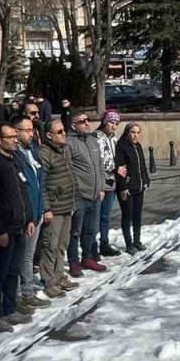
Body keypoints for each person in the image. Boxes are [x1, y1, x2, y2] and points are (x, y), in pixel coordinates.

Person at [0, 123, 34, 333]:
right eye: (9, 136)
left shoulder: (15, 160)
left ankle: (10, 308)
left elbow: (23, 191)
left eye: (15, 136)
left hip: (20, 224)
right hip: (4, 228)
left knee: (13, 271)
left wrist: (29, 217)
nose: (14, 139)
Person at [12, 113, 52, 312]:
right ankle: (24, 294)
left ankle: (27, 291)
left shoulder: (32, 150)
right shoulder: (14, 154)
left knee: (28, 257)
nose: (31, 133)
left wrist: (43, 208)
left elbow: (40, 181)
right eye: (27, 130)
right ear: (16, 132)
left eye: (32, 130)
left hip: (36, 212)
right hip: (24, 216)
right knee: (23, 257)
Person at [38, 117, 80, 298]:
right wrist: (46, 208)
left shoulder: (64, 150)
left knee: (62, 244)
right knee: (50, 246)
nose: (64, 134)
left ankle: (59, 276)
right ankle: (48, 281)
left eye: (64, 131)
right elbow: (42, 184)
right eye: (60, 132)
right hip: (53, 208)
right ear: (48, 135)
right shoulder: (44, 152)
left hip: (66, 205)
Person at [67, 111, 108, 275]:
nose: (86, 123)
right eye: (81, 121)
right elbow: (68, 170)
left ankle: (87, 256)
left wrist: (102, 186)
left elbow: (100, 165)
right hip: (79, 195)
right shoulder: (69, 143)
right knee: (75, 231)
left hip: (95, 194)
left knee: (90, 229)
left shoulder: (93, 140)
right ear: (73, 125)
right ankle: (73, 261)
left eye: (87, 120)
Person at [115, 122, 151, 253]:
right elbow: (119, 169)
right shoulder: (122, 147)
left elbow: (142, 165)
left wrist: (146, 180)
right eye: (132, 132)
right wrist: (123, 187)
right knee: (127, 216)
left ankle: (137, 241)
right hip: (127, 189)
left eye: (137, 133)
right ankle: (129, 244)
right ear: (127, 132)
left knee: (137, 215)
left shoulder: (138, 146)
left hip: (139, 187)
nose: (135, 135)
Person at [96, 110, 122, 257]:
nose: (114, 126)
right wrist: (117, 167)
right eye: (112, 122)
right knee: (97, 215)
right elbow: (102, 161)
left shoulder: (113, 138)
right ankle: (92, 245)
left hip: (111, 180)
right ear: (105, 122)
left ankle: (104, 242)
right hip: (101, 180)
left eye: (116, 123)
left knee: (106, 215)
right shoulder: (98, 137)